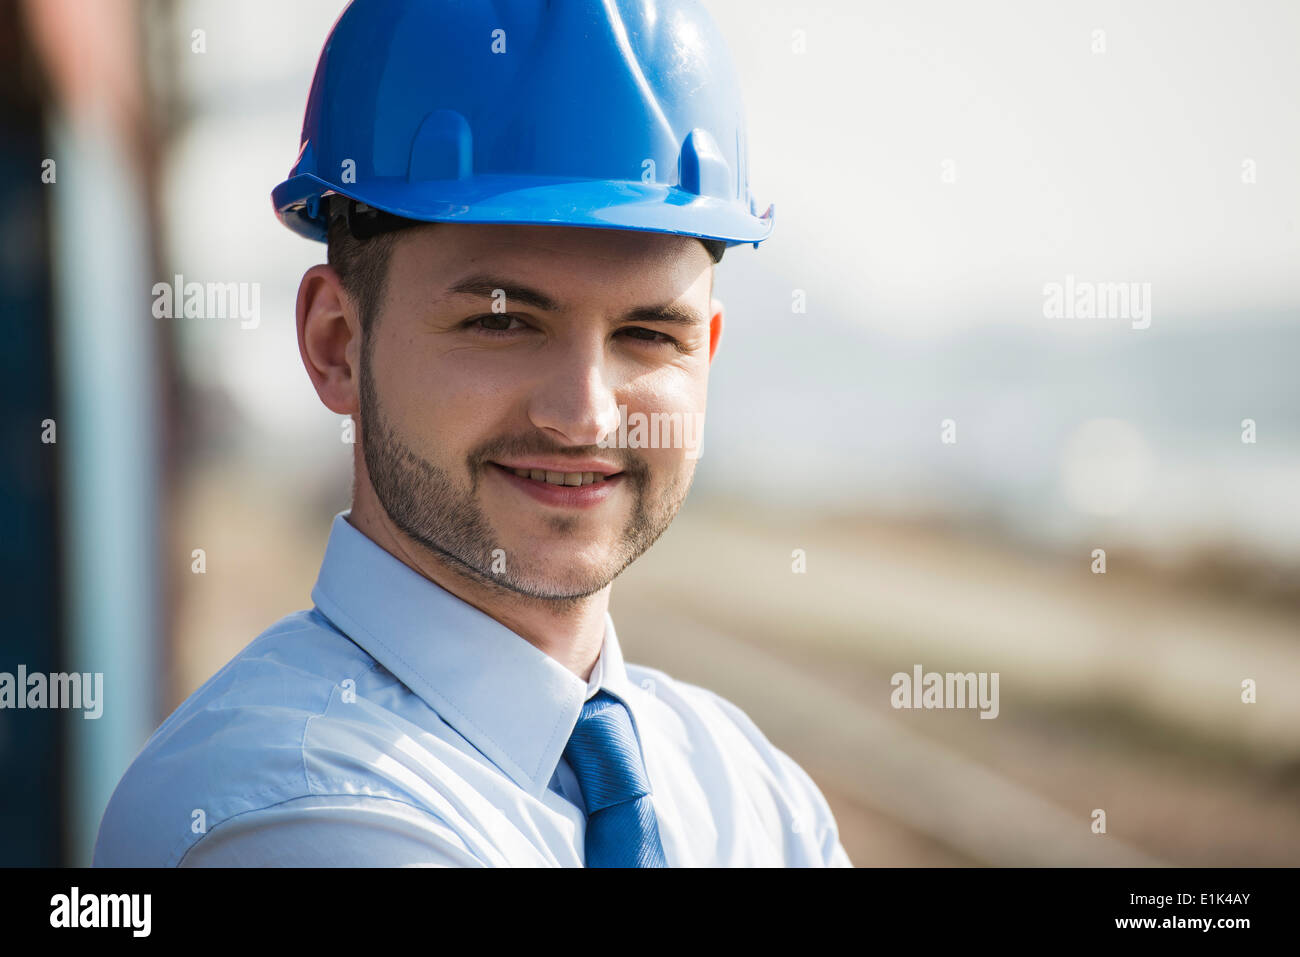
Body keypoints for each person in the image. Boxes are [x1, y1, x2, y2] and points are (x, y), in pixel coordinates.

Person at [94, 0, 851, 867]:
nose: (586, 414)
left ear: (706, 353)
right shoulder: (285, 809)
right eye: (503, 323)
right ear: (336, 344)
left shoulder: (755, 793)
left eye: (649, 334)